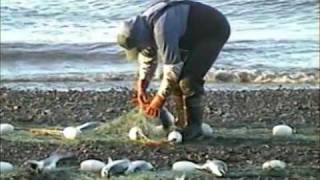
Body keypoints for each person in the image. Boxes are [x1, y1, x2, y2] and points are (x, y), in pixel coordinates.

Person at [117, 0, 230, 141]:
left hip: (213, 29)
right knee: (176, 80)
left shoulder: (162, 29)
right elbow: (147, 58)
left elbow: (172, 70)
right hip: (187, 33)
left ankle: (195, 127)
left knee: (188, 80)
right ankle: (181, 123)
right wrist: (142, 86)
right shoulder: (141, 29)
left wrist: (158, 100)